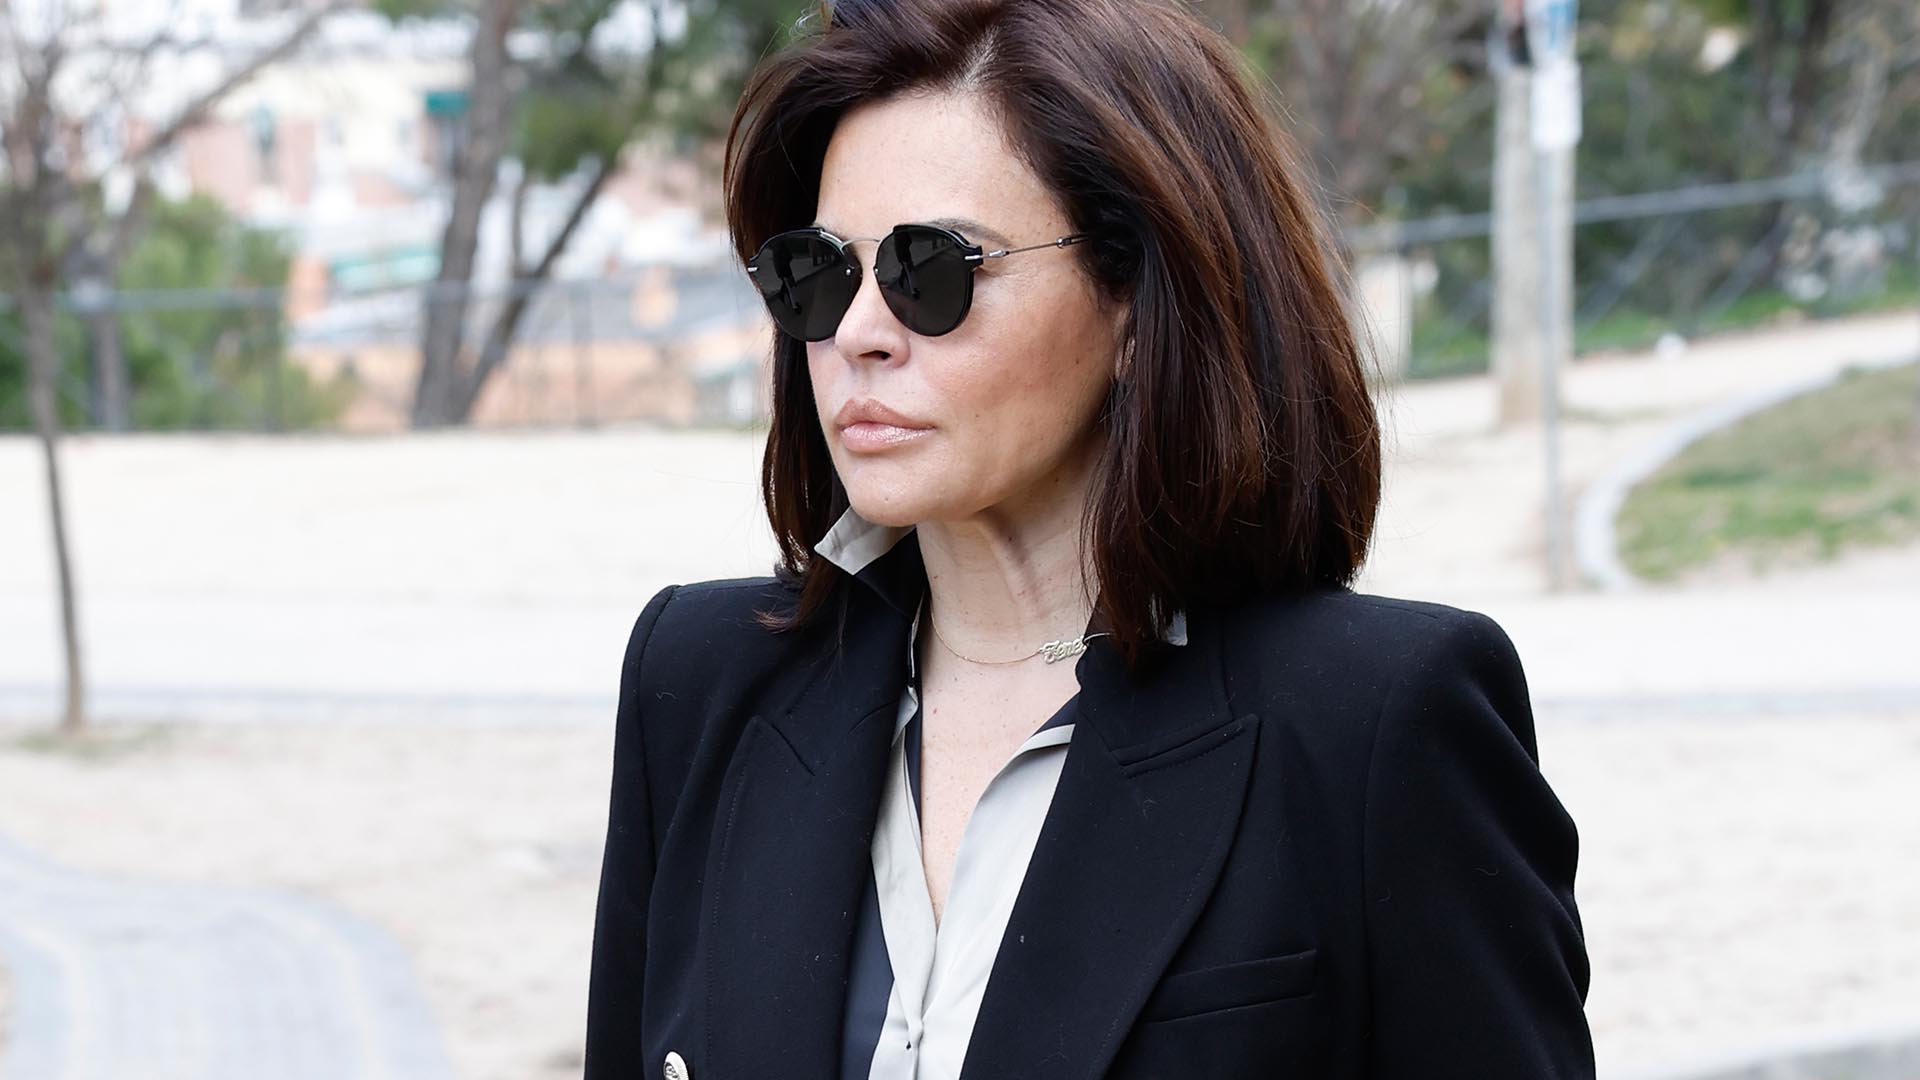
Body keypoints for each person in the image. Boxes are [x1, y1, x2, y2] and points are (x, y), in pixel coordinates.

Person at [583, 0, 1595, 1077]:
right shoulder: (697, 683)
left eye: (933, 270)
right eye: (819, 274)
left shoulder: (1375, 722)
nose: (859, 334)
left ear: (1136, 297)